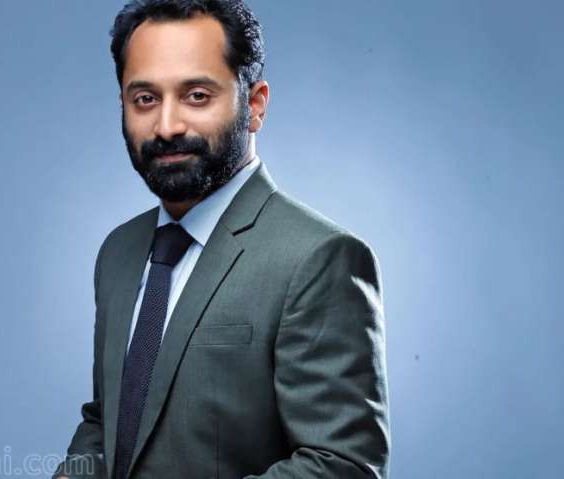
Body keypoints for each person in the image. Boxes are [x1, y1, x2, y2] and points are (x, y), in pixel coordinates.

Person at [53, 1, 390, 478]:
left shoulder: (319, 258)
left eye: (196, 95)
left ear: (255, 104)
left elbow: (341, 466)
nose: (167, 126)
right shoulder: (118, 251)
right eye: (145, 98)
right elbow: (107, 419)